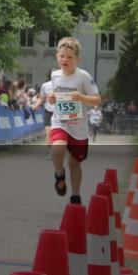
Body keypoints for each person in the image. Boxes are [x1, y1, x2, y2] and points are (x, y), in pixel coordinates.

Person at [47, 37, 101, 205]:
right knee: (57, 148)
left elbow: (97, 100)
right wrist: (52, 99)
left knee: (74, 163)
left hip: (79, 128)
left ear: (78, 59)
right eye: (62, 56)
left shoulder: (83, 76)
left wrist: (81, 97)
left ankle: (75, 195)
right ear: (57, 56)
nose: (65, 60)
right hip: (60, 122)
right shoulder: (54, 75)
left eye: (70, 57)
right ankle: (58, 173)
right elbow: (53, 98)